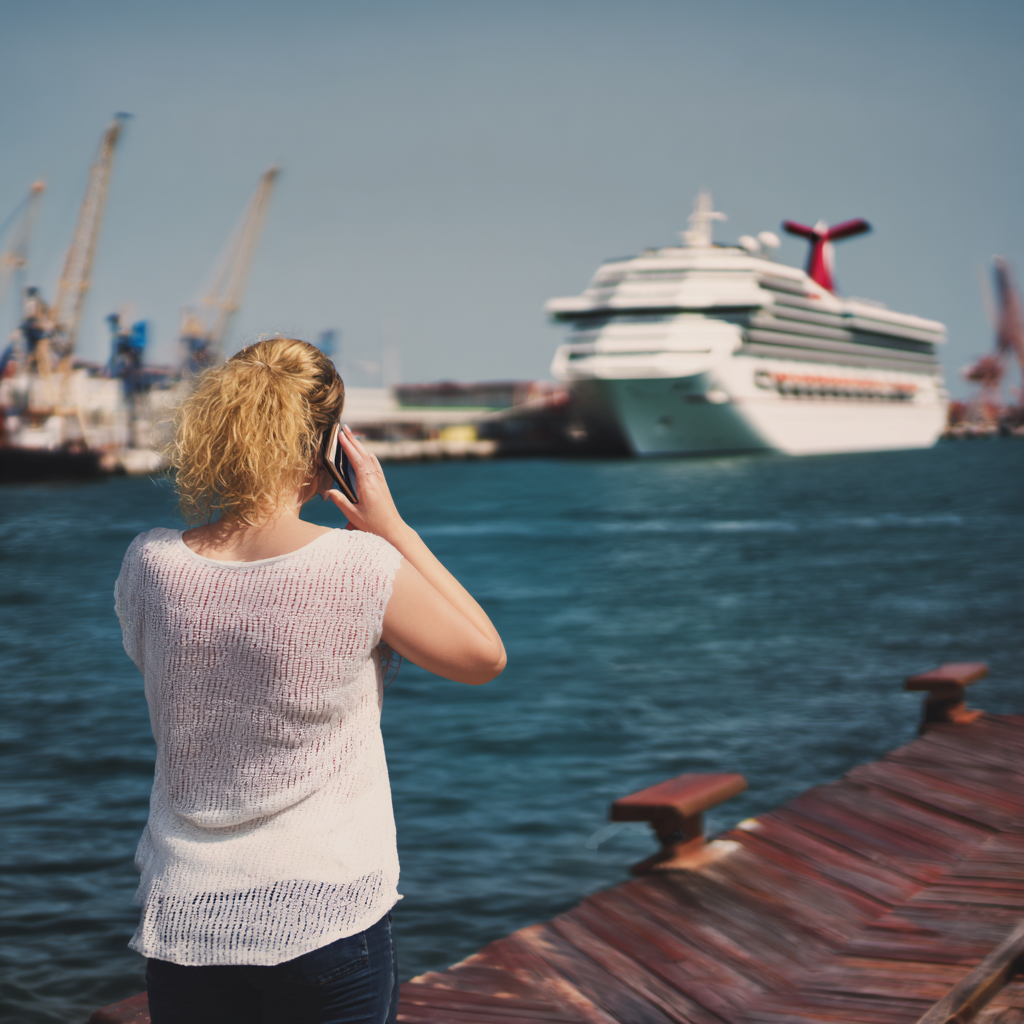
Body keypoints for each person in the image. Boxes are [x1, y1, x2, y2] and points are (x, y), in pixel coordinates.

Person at [114, 337, 506, 1024]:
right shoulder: (359, 565)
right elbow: (484, 656)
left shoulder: (151, 564)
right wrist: (394, 530)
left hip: (187, 922)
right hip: (326, 917)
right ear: (327, 446)